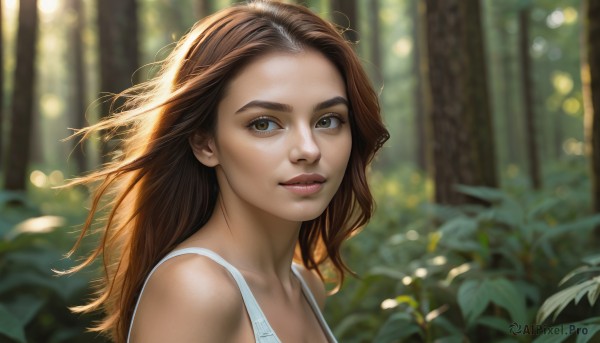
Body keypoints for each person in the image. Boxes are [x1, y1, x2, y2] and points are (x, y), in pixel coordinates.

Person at [65, 1, 389, 342]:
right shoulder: (194, 290)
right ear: (206, 144)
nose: (308, 149)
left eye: (328, 120)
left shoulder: (305, 284)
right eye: (264, 124)